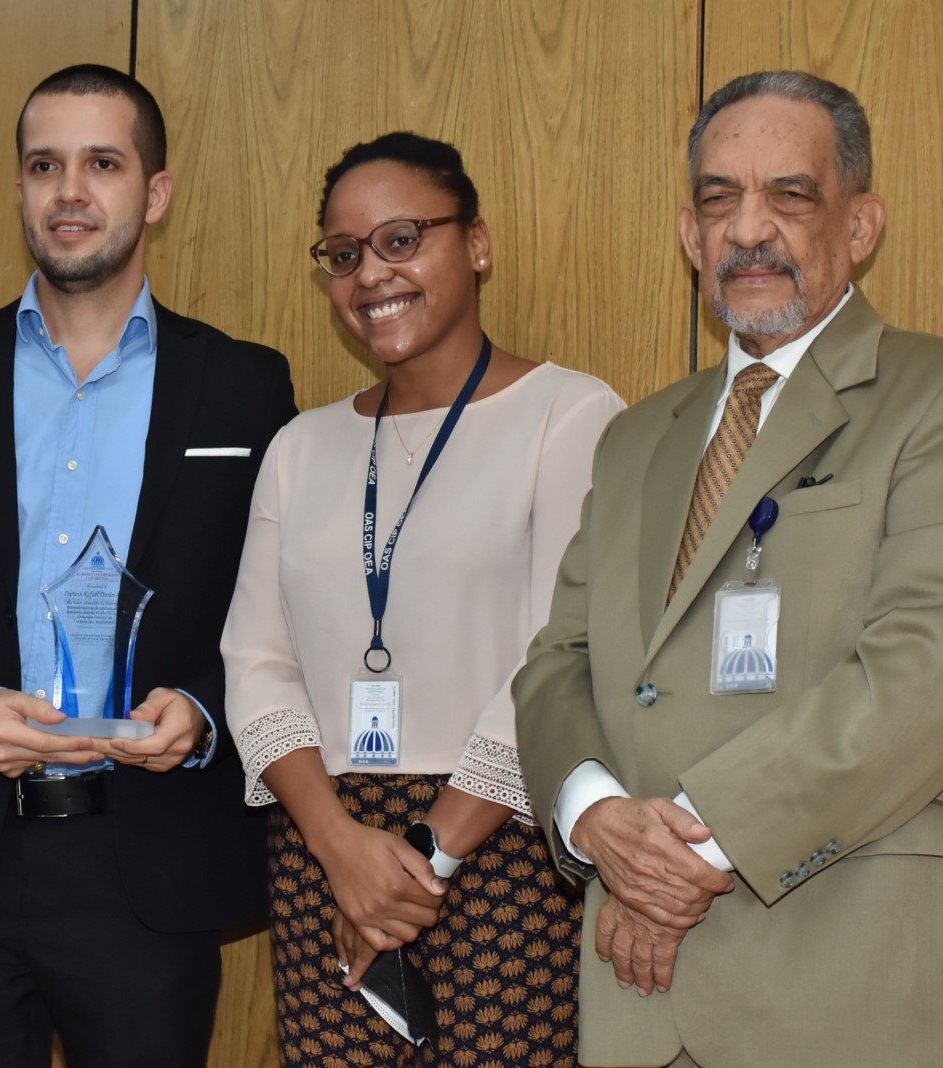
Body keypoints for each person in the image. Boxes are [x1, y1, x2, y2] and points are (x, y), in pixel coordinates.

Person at [512, 70, 943, 1068]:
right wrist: (594, 817)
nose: (748, 230)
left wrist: (681, 857)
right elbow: (557, 664)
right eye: (719, 200)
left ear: (861, 224)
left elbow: (919, 684)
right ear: (689, 234)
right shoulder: (635, 438)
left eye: (790, 196)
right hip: (635, 1005)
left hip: (836, 997)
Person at [0, 64, 295, 1067]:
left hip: (148, 865)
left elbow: (283, 604)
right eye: (45, 166)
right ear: (20, 189)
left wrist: (203, 710)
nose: (69, 191)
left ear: (155, 193)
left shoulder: (244, 386)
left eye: (102, 164)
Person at [221, 132, 625, 1066]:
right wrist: (339, 847)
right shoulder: (300, 447)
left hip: (500, 847)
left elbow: (559, 660)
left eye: (402, 239)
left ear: (476, 243)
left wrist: (423, 857)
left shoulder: (570, 414)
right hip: (327, 855)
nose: (372, 274)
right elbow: (257, 662)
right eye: (344, 254)